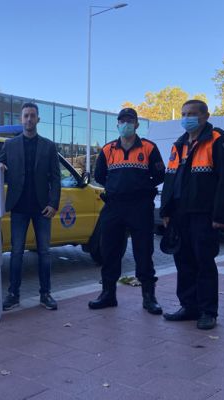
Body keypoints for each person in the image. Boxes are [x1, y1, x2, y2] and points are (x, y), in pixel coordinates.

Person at [160, 99, 224, 330]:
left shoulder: (217, 140)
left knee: (204, 262)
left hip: (203, 214)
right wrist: (166, 211)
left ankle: (207, 312)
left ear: (205, 116)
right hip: (179, 215)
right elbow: (170, 179)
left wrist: (220, 215)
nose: (186, 118)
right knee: (183, 262)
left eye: (192, 114)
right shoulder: (179, 144)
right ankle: (189, 307)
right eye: (184, 114)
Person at [88, 108, 165, 314]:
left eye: (130, 121)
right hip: (113, 207)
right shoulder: (108, 149)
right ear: (117, 124)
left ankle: (149, 297)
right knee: (109, 251)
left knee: (144, 252)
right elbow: (100, 175)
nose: (126, 124)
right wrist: (117, 188)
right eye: (122, 121)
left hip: (140, 207)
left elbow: (160, 175)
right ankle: (108, 294)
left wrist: (139, 188)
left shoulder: (149, 147)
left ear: (137, 124)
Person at [0, 102, 61, 311]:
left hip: (43, 208)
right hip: (19, 207)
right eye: (26, 116)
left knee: (44, 252)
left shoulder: (49, 146)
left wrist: (53, 204)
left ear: (38, 119)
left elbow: (56, 178)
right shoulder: (10, 145)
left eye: (32, 115)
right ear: (21, 119)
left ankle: (45, 294)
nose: (29, 119)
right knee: (16, 253)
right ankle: (13, 295)